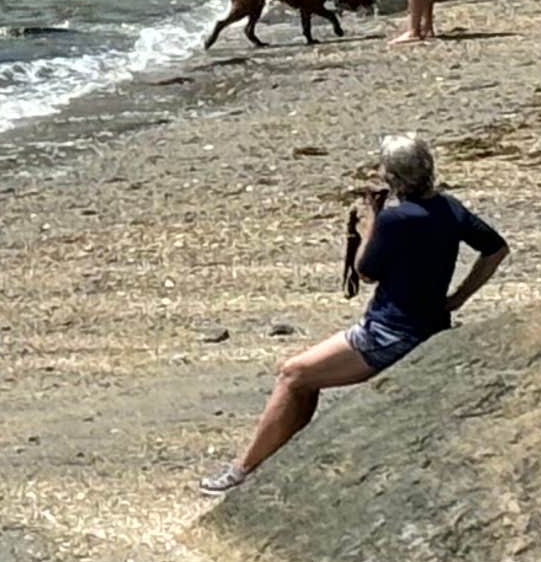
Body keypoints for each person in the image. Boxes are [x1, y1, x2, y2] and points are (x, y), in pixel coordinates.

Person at [199, 133, 506, 493]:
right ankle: (276, 457)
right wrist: (458, 298)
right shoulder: (450, 208)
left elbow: (365, 272)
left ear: (393, 177)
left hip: (387, 334)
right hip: (430, 324)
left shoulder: (395, 219)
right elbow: (496, 249)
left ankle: (241, 470)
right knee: (304, 378)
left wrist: (368, 225)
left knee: (292, 374)